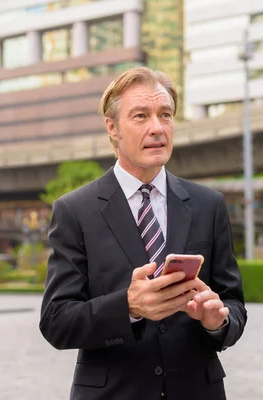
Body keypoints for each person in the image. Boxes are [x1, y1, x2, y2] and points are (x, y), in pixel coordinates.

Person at [39, 67, 247, 400]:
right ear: (113, 128)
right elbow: (56, 321)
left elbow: (233, 302)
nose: (157, 127)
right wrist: (129, 306)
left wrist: (217, 321)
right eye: (140, 116)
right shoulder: (75, 210)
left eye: (165, 115)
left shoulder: (209, 205)